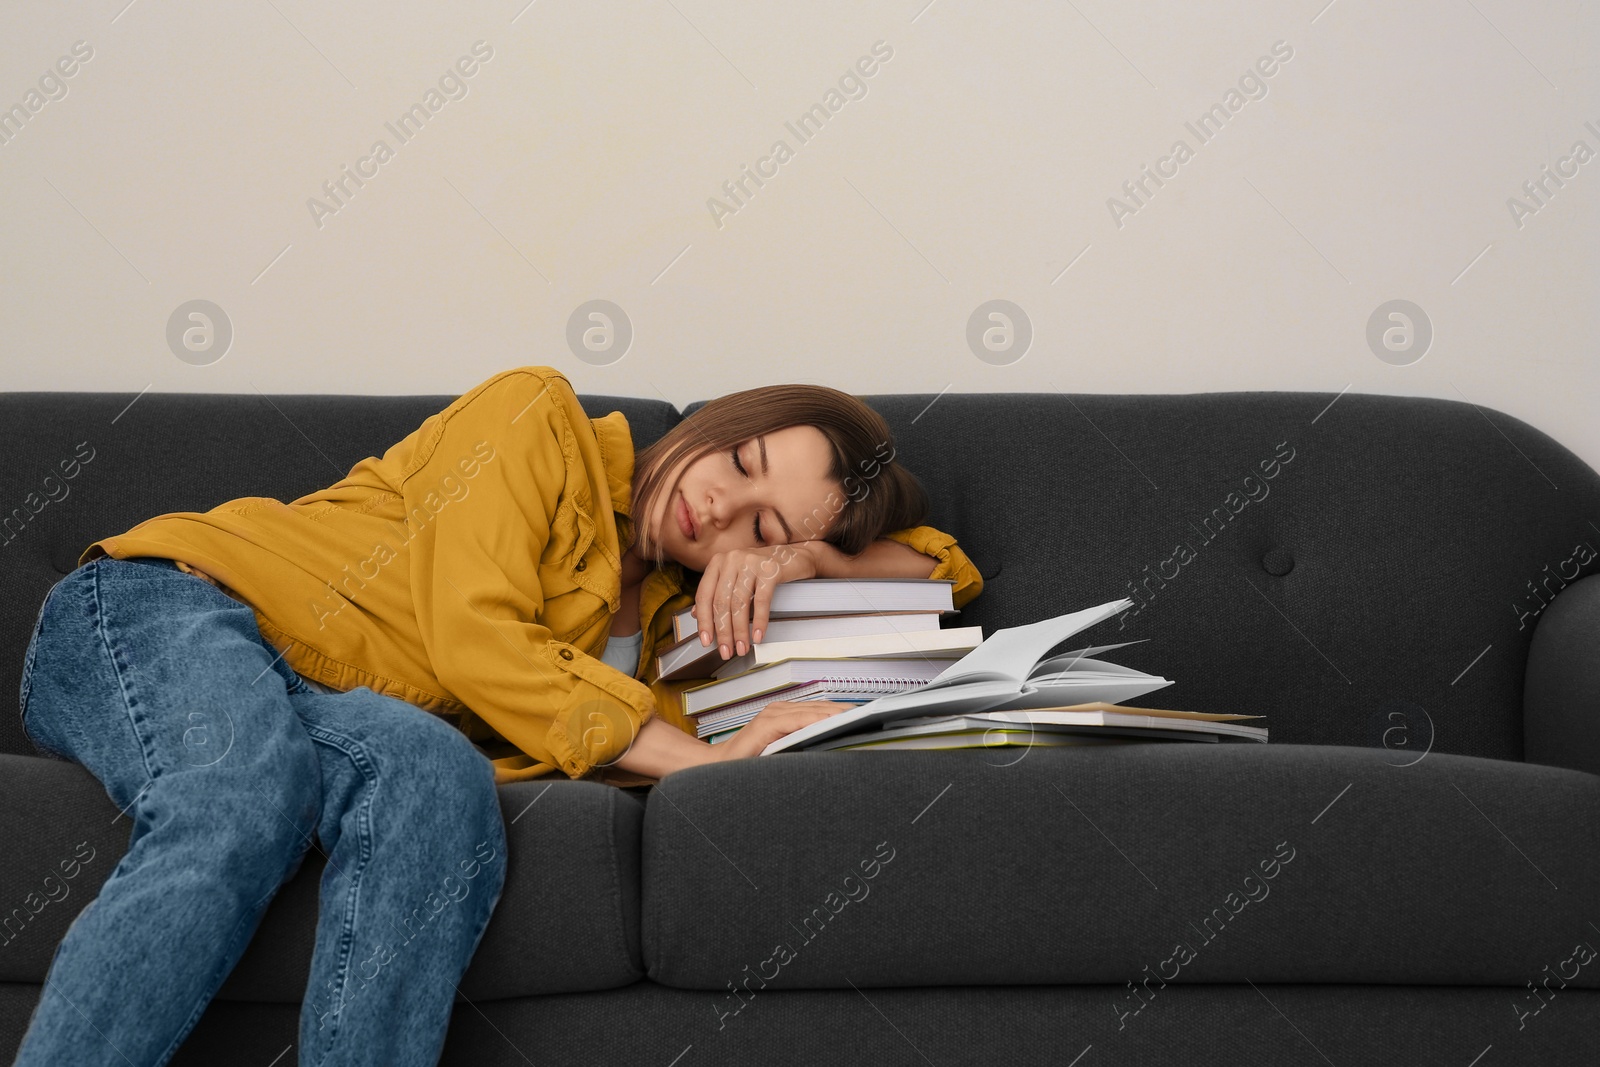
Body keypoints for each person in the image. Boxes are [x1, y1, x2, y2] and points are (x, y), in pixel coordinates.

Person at [13, 364, 983, 1065]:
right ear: (719, 420)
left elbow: (942, 565)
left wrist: (807, 560)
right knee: (239, 793)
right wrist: (700, 764)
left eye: (760, 522)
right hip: (173, 607)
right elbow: (475, 641)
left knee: (435, 775)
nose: (721, 503)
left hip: (324, 704)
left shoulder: (676, 632)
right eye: (739, 456)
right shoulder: (534, 417)